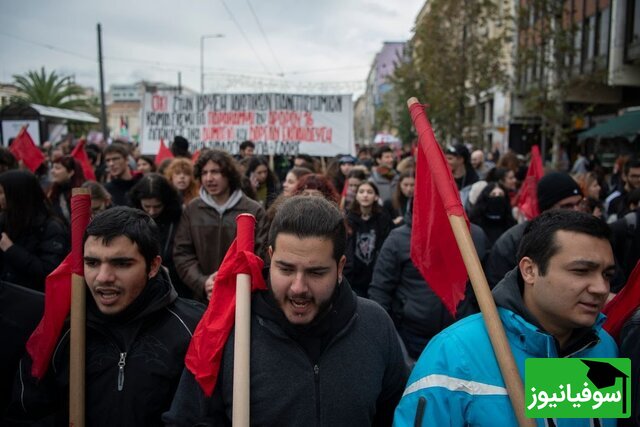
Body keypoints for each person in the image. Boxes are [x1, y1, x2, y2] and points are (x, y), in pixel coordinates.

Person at [163, 196, 408, 426]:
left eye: (316, 272)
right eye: (286, 269)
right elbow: (186, 419)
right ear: (270, 257)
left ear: (340, 267)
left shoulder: (375, 326)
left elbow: (399, 416)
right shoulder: (228, 330)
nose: (298, 288)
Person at [394, 210, 618, 427]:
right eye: (581, 271)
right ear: (529, 270)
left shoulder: (605, 348)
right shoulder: (454, 353)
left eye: (607, 275)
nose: (601, 288)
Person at [8, 207, 205, 426]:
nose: (103, 277)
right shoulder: (61, 330)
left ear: (153, 266)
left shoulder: (194, 327)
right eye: (92, 263)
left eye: (121, 264)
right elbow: (26, 411)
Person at [370, 199, 488, 360]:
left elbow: (487, 285)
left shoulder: (473, 236)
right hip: (413, 336)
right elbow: (380, 288)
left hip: (462, 333)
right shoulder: (399, 239)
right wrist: (384, 334)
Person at [173, 149, 267, 302]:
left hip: (242, 300)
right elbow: (182, 253)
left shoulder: (253, 210)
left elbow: (261, 256)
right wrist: (202, 282)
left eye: (215, 172)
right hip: (202, 300)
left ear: (229, 174)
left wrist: (235, 284)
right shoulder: (192, 210)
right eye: (204, 173)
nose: (209, 178)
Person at [485, 172, 583, 287]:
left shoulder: (588, 238)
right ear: (547, 208)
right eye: (567, 206)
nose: (577, 211)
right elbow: (498, 288)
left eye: (579, 203)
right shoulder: (513, 242)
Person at [0, 170, 69, 291]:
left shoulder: (51, 228)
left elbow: (49, 271)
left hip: (34, 301)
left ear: (16, 194)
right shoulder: (4, 220)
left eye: (1, 192)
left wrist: (11, 250)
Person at [130, 173, 190, 298]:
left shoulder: (179, 217)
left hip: (175, 281)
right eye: (147, 206)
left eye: (157, 206)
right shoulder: (132, 218)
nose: (152, 211)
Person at [344, 181, 393, 298]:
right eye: (361, 192)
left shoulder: (383, 218)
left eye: (369, 192)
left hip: (375, 275)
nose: (365, 195)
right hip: (354, 277)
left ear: (376, 196)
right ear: (356, 196)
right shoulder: (348, 220)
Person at [48, 155, 86, 224]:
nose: (52, 171)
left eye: (57, 168)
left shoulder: (81, 194)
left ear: (71, 172)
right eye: (52, 167)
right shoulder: (53, 191)